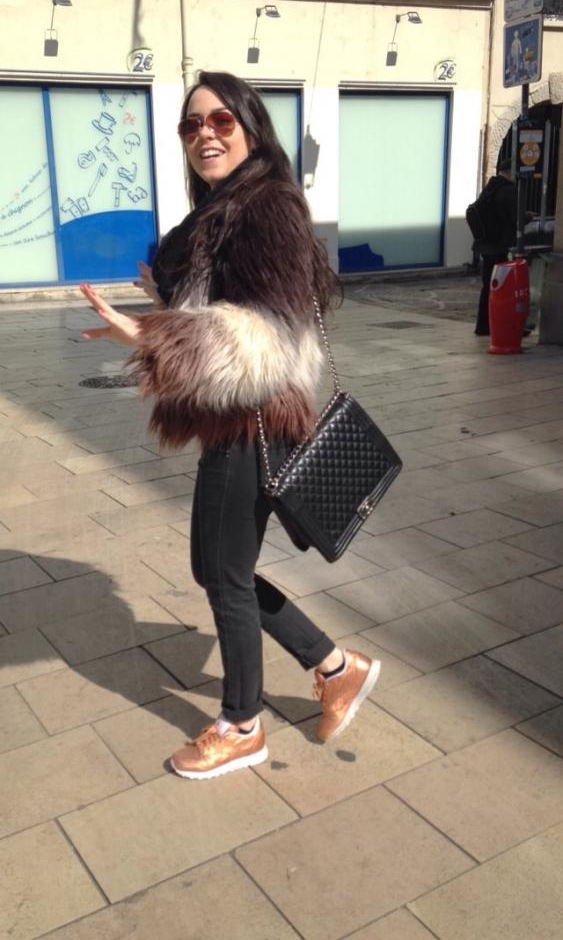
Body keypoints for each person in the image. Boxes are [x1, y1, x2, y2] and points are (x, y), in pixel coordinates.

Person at [80, 71, 381, 781]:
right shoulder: (227, 208)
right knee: (219, 568)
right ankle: (334, 667)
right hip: (239, 413)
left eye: (220, 120)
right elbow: (229, 297)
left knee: (222, 573)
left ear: (249, 126)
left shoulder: (266, 204)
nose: (204, 135)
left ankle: (242, 725)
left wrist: (153, 335)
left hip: (252, 417)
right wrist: (167, 300)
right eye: (191, 125)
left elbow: (264, 334)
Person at [474, 161, 517, 336]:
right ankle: (498, 324)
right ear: (509, 171)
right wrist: (527, 217)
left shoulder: (490, 187)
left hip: (485, 244)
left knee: (487, 286)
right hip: (499, 245)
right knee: (501, 288)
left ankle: (482, 326)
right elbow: (515, 218)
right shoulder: (509, 190)